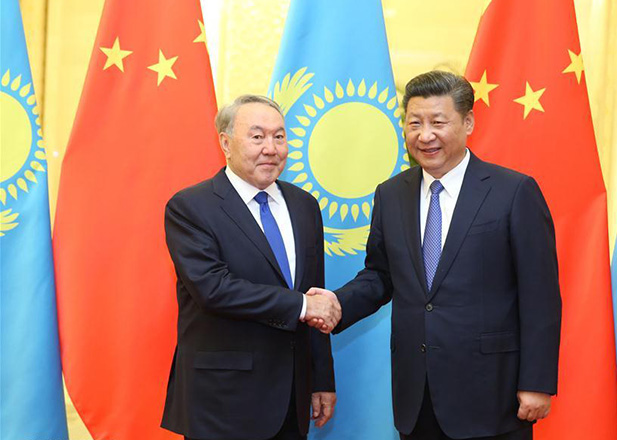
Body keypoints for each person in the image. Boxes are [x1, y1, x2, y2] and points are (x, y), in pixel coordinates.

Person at [309, 71, 561, 440]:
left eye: (438, 122)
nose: (425, 135)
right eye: (415, 123)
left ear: (468, 122)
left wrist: (536, 382)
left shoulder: (513, 191)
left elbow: (540, 295)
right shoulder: (391, 194)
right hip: (417, 395)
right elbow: (381, 275)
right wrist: (337, 303)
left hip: (493, 394)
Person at [161, 95, 341, 440]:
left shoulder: (304, 206)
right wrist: (302, 305)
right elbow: (213, 290)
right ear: (226, 143)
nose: (271, 148)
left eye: (279, 136)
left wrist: (321, 379)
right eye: (257, 137)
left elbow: (314, 294)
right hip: (222, 402)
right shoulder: (191, 207)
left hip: (292, 398)